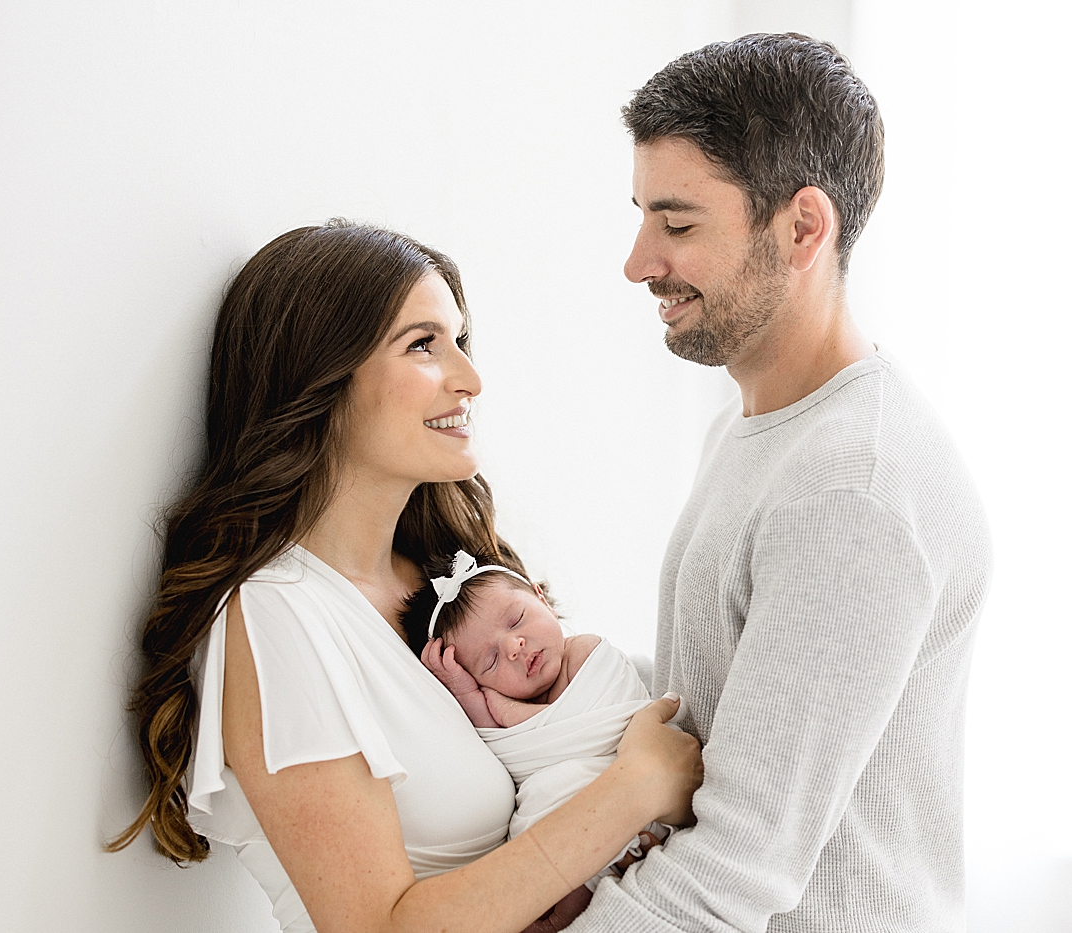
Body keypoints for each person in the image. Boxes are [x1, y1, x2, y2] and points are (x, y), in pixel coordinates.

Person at [107, 220, 703, 933]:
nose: (470, 379)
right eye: (423, 344)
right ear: (320, 378)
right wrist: (634, 788)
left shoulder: (443, 581)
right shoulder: (275, 615)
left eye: (460, 341)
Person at [567, 34, 993, 932]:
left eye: (677, 224)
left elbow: (734, 870)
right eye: (643, 216)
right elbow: (735, 699)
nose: (638, 262)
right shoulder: (760, 423)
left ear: (803, 227)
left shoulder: (853, 487)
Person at [404, 549, 670, 892]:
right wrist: (464, 690)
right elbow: (501, 739)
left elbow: (603, 719)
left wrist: (501, 705)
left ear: (540, 597)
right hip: (568, 821)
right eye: (490, 661)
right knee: (545, 796)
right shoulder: (489, 705)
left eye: (516, 620)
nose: (514, 646)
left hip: (641, 779)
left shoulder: (586, 652)